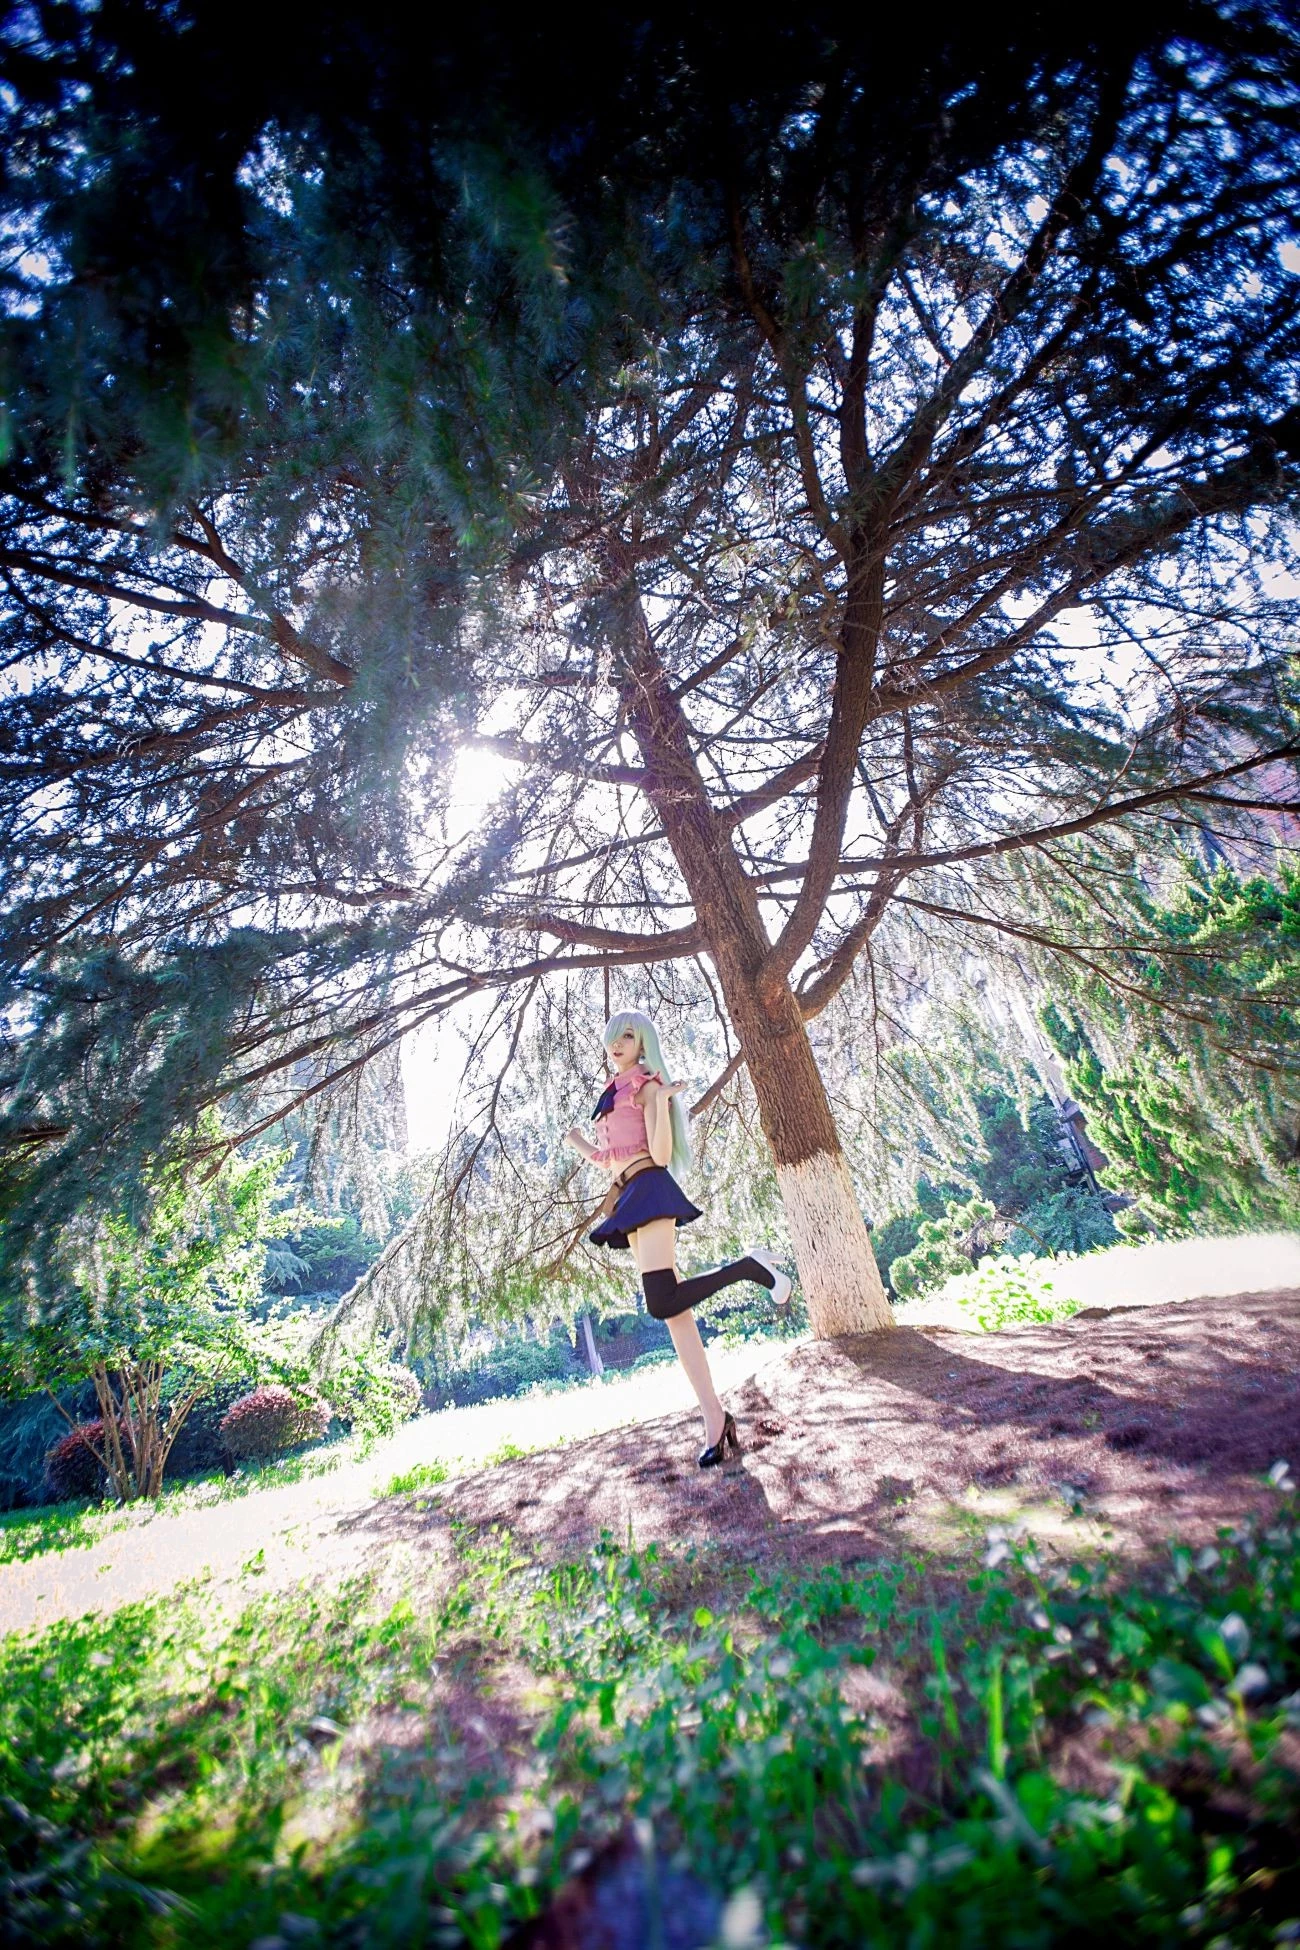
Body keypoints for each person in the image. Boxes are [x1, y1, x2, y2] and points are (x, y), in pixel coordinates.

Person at [564, 1008, 792, 1468]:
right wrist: (579, 1143)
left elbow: (661, 1154)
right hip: (630, 1194)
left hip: (650, 1188)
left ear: (642, 1042)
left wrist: (663, 1104)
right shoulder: (614, 1091)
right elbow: (613, 1159)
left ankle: (750, 1267)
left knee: (662, 1302)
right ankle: (715, 1419)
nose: (617, 1044)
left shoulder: (647, 1086)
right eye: (612, 1038)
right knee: (675, 1316)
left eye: (626, 1037)